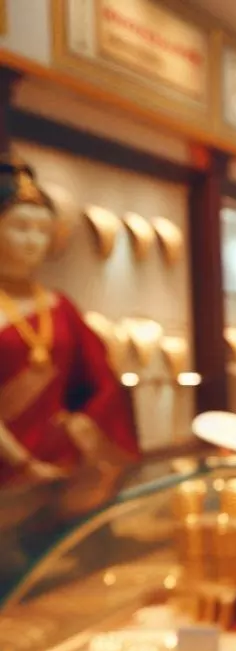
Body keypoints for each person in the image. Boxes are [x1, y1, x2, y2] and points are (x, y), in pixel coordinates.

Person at [0, 157, 138, 486]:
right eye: (20, 228)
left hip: (61, 467)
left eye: (42, 230)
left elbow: (100, 383)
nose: (33, 240)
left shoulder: (60, 307)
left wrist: (81, 428)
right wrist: (24, 463)